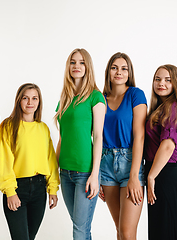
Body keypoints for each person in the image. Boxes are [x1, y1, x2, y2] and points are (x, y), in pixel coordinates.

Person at [0, 83, 60, 240]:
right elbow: (4, 160)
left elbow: (50, 159)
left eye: (34, 98)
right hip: (18, 188)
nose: (30, 102)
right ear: (19, 100)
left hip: (39, 190)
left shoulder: (43, 128)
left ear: (39, 102)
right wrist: (10, 192)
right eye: (25, 98)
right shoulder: (8, 126)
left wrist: (53, 188)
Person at [55, 48, 106, 239]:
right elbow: (62, 138)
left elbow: (99, 137)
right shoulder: (64, 100)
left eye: (81, 62)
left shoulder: (95, 97)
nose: (77, 66)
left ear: (88, 67)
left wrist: (95, 175)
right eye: (73, 62)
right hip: (65, 172)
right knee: (81, 228)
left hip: (85, 172)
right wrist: (54, 169)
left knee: (79, 230)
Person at [99, 52, 147, 240]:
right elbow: (95, 137)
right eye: (114, 67)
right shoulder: (100, 99)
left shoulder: (136, 95)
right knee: (120, 231)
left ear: (129, 73)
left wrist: (134, 176)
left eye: (123, 68)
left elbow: (140, 136)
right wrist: (97, 175)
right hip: (106, 164)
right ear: (108, 72)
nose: (119, 72)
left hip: (130, 164)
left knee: (127, 232)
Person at [144, 64, 177, 240]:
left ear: (176, 84)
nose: (161, 83)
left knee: (168, 231)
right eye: (157, 79)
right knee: (161, 231)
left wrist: (151, 177)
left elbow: (167, 146)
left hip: (166, 176)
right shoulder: (159, 109)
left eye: (167, 80)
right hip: (159, 174)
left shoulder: (172, 108)